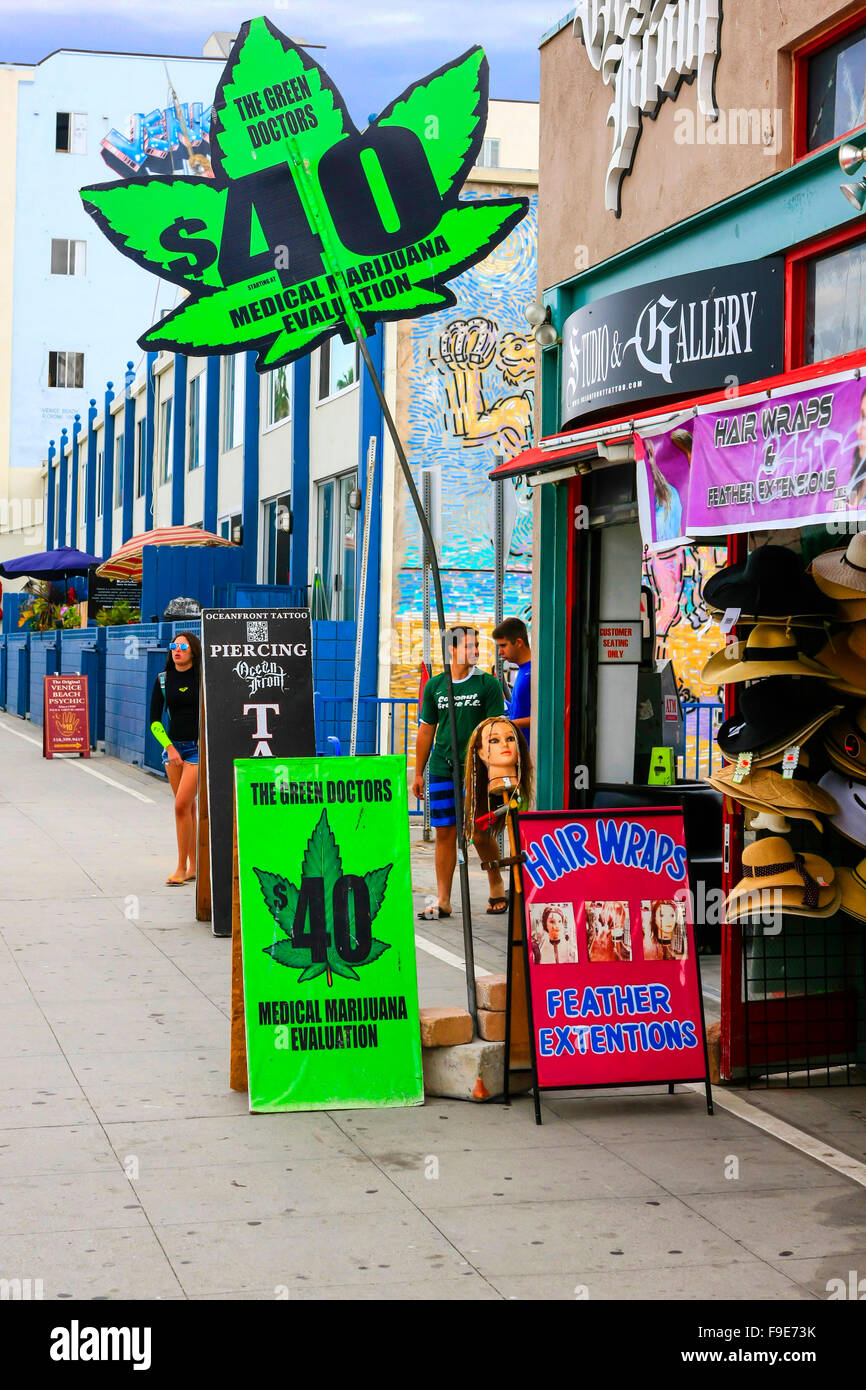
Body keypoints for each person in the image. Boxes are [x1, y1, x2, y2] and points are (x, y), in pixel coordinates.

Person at [413, 626, 506, 918]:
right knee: (445, 833)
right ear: (452, 649)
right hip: (442, 768)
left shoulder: (488, 684)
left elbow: (496, 731)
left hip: (476, 770)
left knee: (479, 832)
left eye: (477, 645)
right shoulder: (436, 686)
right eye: (469, 645)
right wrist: (419, 772)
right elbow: (426, 731)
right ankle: (443, 899)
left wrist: (496, 771)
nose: (476, 651)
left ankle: (496, 884)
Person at [149, 631, 201, 886]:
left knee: (181, 806)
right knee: (187, 808)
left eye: (182, 646)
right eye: (173, 646)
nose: (177, 650)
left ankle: (181, 868)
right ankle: (193, 867)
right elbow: (154, 721)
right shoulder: (162, 680)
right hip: (173, 751)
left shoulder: (203, 677)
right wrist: (169, 748)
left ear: (193, 650)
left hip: (196, 751)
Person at [492, 617, 531, 732]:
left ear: (518, 643)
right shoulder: (523, 669)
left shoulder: (534, 672)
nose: (500, 651)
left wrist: (508, 724)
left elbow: (545, 717)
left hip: (532, 747)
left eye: (503, 645)